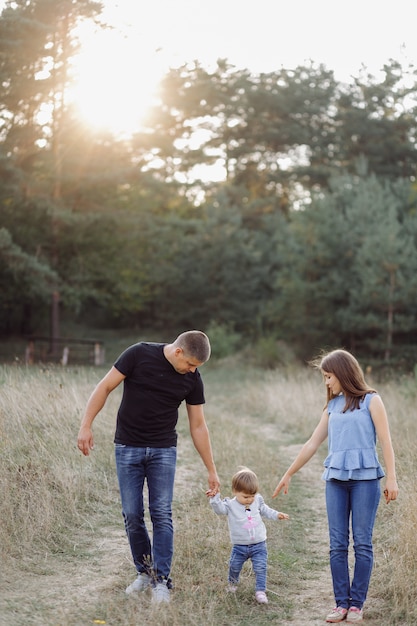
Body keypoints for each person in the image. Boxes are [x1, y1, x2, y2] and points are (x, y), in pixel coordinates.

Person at [77, 330, 220, 604]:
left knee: (162, 514)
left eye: (196, 368)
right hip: (127, 447)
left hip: (163, 450)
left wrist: (211, 469)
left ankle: (161, 581)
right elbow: (105, 386)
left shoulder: (192, 379)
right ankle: (143, 572)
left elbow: (198, 425)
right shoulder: (138, 354)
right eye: (190, 364)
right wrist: (86, 425)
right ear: (178, 352)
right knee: (132, 514)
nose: (192, 371)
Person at [272, 349, 398, 623]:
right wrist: (289, 472)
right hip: (336, 482)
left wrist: (392, 477)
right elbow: (312, 443)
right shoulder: (332, 406)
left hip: (366, 481)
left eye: (329, 376)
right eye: (325, 377)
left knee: (362, 543)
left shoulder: (371, 401)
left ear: (342, 373)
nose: (327, 382)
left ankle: (357, 605)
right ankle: (341, 603)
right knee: (337, 545)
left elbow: (387, 441)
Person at [207, 466, 289, 604]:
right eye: (245, 497)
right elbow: (219, 510)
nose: (249, 499)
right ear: (235, 491)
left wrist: (277, 515)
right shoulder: (230, 505)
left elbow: (265, 510)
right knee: (234, 566)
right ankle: (233, 585)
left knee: (260, 567)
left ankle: (260, 591)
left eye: (252, 496)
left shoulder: (257, 500)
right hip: (239, 546)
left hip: (259, 544)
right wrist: (215, 497)